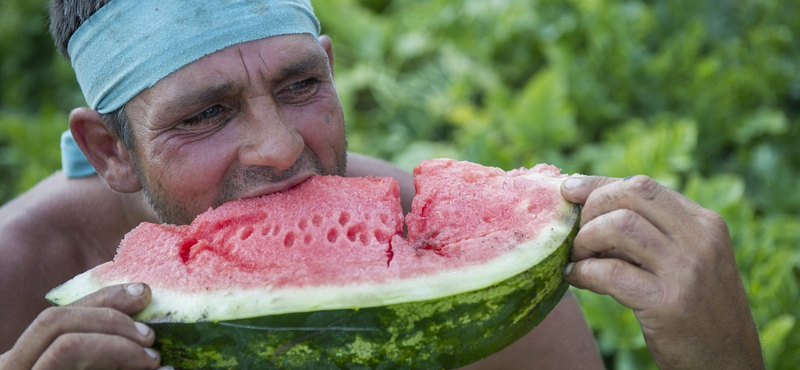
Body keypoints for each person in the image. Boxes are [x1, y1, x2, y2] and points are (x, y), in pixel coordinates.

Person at [0, 0, 762, 369]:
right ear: (109, 149)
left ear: (330, 67)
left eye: (300, 86)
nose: (278, 146)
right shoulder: (16, 274)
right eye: (205, 114)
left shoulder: (457, 273)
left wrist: (721, 359)